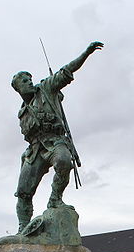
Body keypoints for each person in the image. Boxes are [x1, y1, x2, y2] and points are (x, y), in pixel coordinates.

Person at [10, 41, 103, 232]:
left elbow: (66, 71)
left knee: (63, 161)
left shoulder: (46, 88)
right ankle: (23, 228)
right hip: (35, 150)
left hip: (55, 141)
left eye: (29, 80)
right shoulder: (22, 112)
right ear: (18, 89)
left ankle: (55, 199)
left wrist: (86, 53)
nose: (29, 83)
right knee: (23, 192)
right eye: (24, 82)